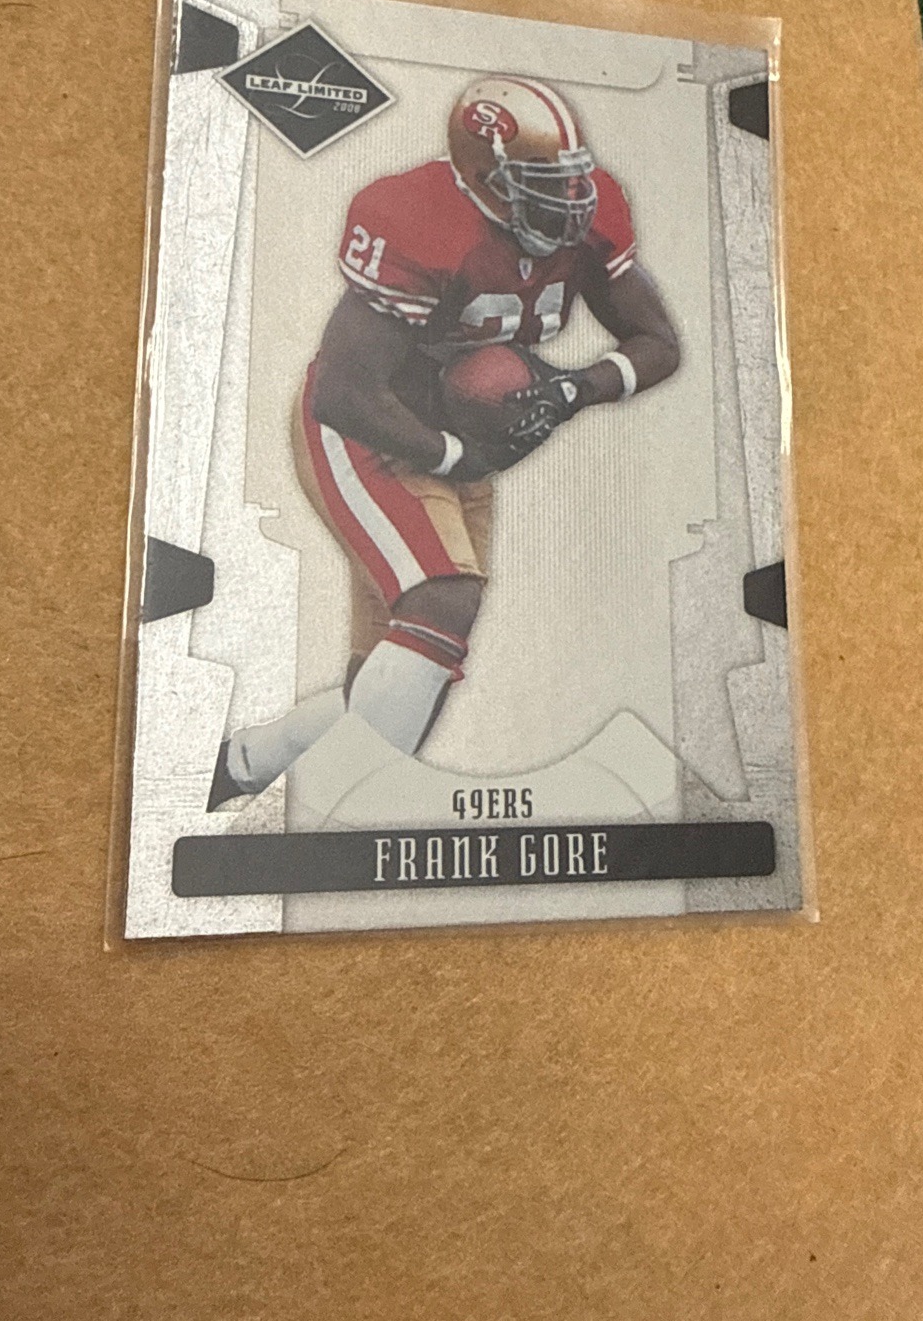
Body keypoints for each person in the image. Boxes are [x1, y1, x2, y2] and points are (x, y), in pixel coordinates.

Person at [208, 74, 680, 805]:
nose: (570, 201)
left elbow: (656, 342)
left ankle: (242, 765)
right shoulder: (418, 221)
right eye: (541, 183)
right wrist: (454, 455)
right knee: (443, 602)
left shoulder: (588, 215)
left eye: (572, 179)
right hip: (374, 425)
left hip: (460, 444)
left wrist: (576, 388)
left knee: (403, 681)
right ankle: (346, 811)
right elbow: (344, 390)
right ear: (482, 177)